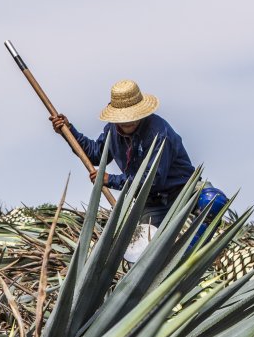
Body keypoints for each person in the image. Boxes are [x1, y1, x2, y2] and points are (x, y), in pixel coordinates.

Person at [51, 80, 205, 227]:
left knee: (213, 202)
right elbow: (96, 154)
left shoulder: (159, 134)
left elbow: (151, 180)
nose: (127, 122)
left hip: (183, 192)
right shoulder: (112, 130)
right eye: (123, 117)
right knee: (146, 246)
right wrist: (68, 131)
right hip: (152, 202)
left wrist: (110, 179)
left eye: (132, 116)